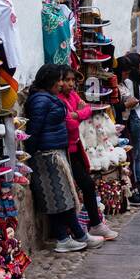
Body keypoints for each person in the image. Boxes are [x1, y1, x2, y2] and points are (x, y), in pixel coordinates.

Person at [25, 65, 97, 254]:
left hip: (55, 153)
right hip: (46, 155)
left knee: (63, 197)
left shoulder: (46, 98)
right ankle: (65, 238)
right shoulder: (41, 100)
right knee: (56, 198)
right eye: (59, 79)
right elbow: (35, 129)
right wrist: (30, 154)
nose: (62, 83)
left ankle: (78, 235)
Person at [61, 69, 118, 240]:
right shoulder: (59, 99)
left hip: (76, 148)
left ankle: (93, 224)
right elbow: (70, 124)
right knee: (84, 184)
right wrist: (78, 115)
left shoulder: (72, 96)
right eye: (67, 80)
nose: (71, 84)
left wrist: (77, 114)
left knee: (87, 184)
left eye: (73, 80)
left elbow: (87, 109)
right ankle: (89, 226)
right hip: (67, 149)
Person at [117, 56, 140, 207]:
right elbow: (119, 104)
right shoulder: (123, 83)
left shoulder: (124, 83)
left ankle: (136, 187)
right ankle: (133, 189)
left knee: (134, 154)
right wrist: (128, 103)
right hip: (126, 120)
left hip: (131, 118)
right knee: (132, 154)